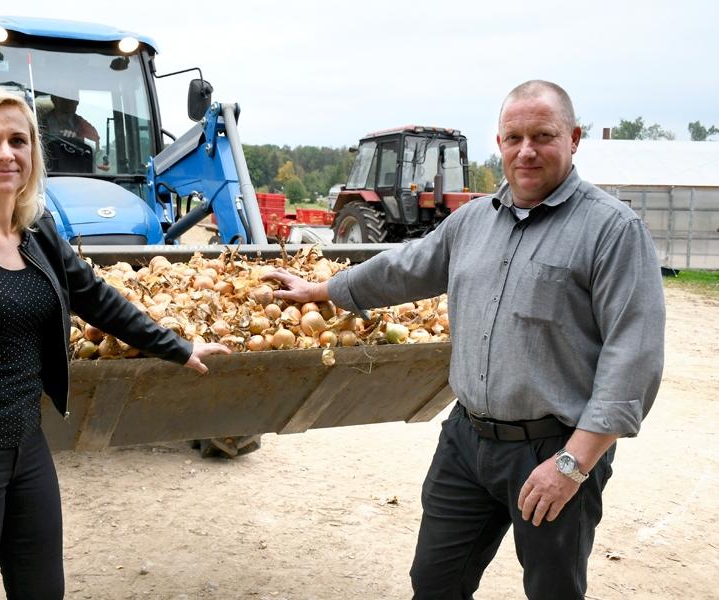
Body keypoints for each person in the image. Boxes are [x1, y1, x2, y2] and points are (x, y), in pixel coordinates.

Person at [263, 80, 665, 599]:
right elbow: (405, 268)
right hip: (466, 442)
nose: (527, 150)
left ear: (574, 138)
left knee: (553, 590)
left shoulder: (611, 230)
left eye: (543, 135)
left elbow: (633, 356)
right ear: (498, 142)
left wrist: (573, 464)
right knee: (434, 583)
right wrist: (323, 288)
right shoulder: (474, 220)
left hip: (553, 448)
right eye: (514, 136)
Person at [0, 86, 230, 599]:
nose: (5, 153)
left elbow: (95, 297)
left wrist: (178, 346)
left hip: (25, 448)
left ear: (33, 152)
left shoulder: (36, 229)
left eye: (18, 140)